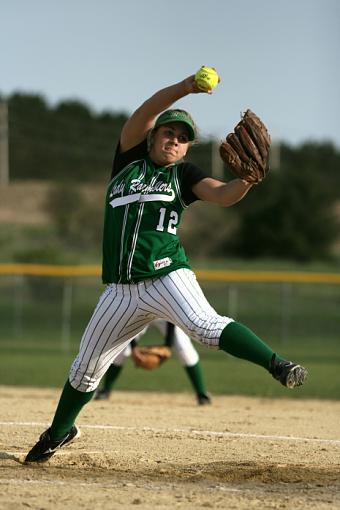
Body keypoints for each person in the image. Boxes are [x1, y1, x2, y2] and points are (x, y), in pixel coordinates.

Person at [25, 70, 308, 463]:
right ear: (154, 137)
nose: (174, 140)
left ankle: (277, 364)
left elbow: (224, 195)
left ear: (187, 148)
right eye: (168, 133)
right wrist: (186, 88)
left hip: (166, 275)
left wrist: (245, 181)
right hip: (120, 291)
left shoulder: (183, 176)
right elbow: (144, 112)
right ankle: (58, 432)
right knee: (86, 368)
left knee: (205, 326)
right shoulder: (127, 161)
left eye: (182, 138)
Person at [94, 320, 212, 405]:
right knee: (122, 350)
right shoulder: (136, 286)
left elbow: (171, 315)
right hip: (140, 314)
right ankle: (105, 390)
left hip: (166, 315)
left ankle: (202, 394)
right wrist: (134, 347)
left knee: (184, 349)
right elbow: (129, 322)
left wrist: (168, 345)